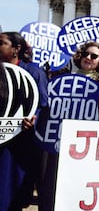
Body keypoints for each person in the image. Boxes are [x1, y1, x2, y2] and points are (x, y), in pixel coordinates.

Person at [0, 31, 49, 211]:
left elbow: (43, 104)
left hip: (20, 143)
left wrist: (32, 119)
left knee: (12, 190)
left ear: (16, 49)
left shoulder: (33, 72)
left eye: (2, 43)